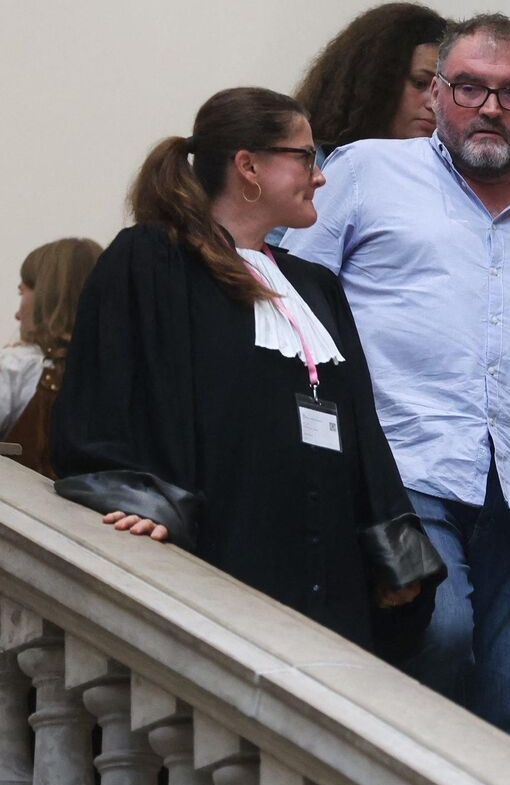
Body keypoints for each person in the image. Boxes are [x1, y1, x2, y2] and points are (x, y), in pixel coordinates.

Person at [282, 13, 510, 752]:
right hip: (404, 473)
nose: (490, 107)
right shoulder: (366, 173)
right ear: (439, 91)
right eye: (470, 87)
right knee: (440, 637)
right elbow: (290, 314)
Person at [50, 87, 444, 655]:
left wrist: (391, 549)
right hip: (225, 553)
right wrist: (136, 497)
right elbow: (107, 394)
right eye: (306, 158)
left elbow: (362, 425)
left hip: (331, 568)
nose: (321, 176)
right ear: (248, 166)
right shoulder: (153, 259)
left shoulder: (317, 286)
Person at [265, 1, 447, 247]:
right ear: (374, 83)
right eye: (420, 83)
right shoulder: (307, 166)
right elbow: (263, 266)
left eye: (443, 90)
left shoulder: (447, 178)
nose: (433, 103)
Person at [1, 238, 102, 477]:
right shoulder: (113, 381)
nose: (17, 314)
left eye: (22, 292)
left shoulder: (17, 365)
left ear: (46, 296)